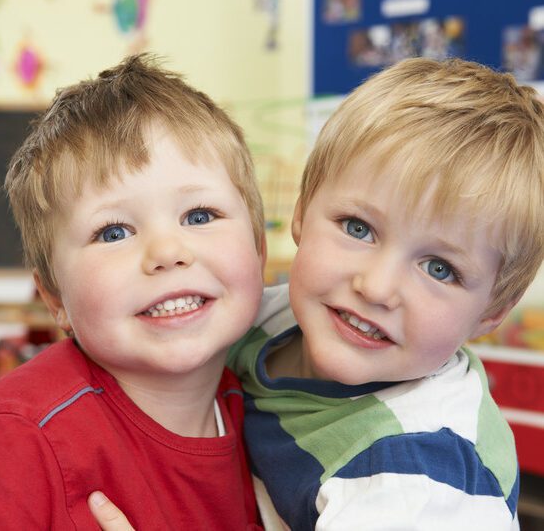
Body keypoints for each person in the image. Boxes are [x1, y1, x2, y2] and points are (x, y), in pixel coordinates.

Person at [90, 57, 544, 531]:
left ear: (492, 311)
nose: (376, 287)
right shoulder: (273, 315)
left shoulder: (421, 481)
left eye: (439, 268)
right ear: (302, 214)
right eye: (358, 227)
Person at [0, 54, 266, 530]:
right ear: (53, 299)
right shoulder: (10, 442)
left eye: (199, 215)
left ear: (257, 248)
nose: (167, 251)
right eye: (112, 232)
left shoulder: (269, 412)